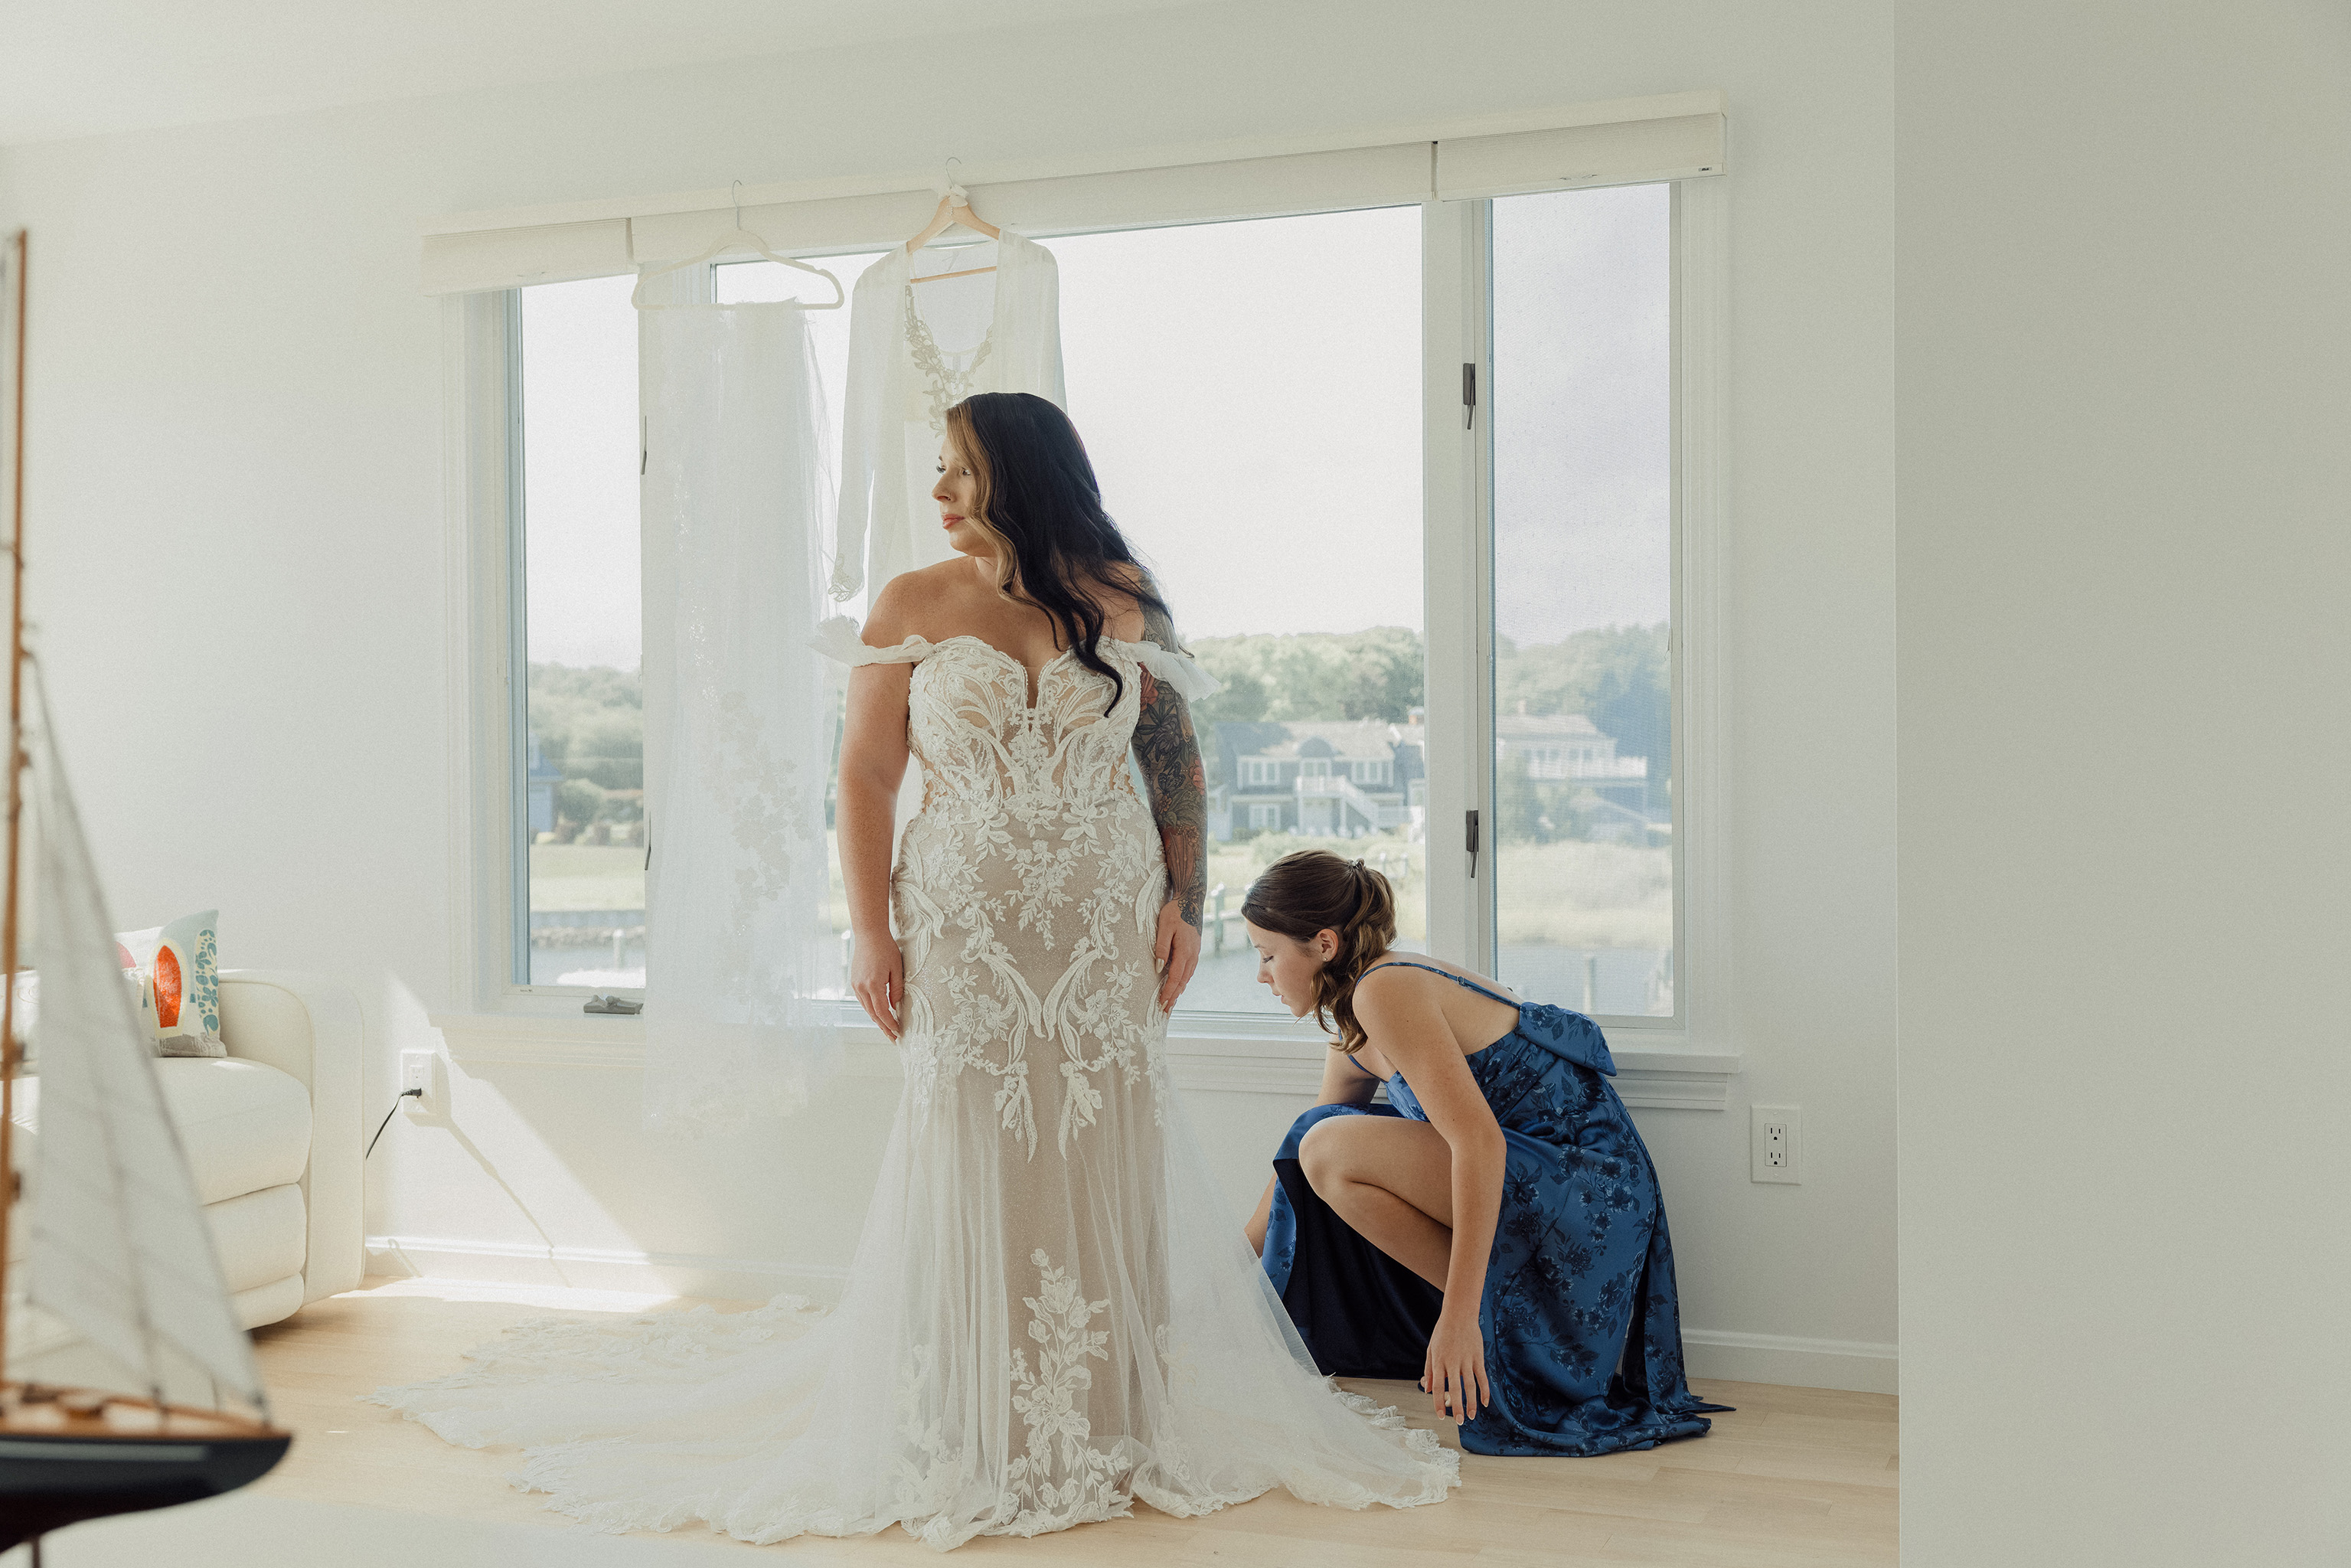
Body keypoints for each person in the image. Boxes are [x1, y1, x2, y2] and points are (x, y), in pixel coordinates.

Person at [369, 394, 1455, 1549]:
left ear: (1022, 475)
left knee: (1103, 1135)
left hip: (1103, 927)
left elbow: (1173, 760)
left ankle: (1111, 1415)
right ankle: (975, 1416)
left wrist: (1185, 902)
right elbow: (864, 777)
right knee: (976, 1138)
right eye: (934, 470)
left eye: (958, 471)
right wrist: (869, 930)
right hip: (966, 926)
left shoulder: (1123, 591)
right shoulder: (911, 603)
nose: (937, 492)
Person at [1240, 849, 1726, 1457]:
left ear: (1325, 944)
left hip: (1588, 1193)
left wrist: (1458, 1320)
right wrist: (1226, 1276)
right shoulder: (1354, 1023)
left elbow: (1478, 1140)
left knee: (1329, 1146)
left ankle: (1487, 1325)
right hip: (1535, 1185)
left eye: (1266, 955)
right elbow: (1297, 1159)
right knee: (1319, 1137)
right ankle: (1505, 1321)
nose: (1260, 975)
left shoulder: (1384, 988)